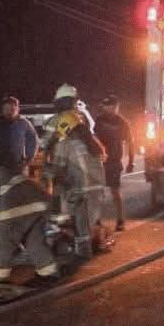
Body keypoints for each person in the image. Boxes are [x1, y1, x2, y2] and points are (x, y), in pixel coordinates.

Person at [0, 163, 59, 286]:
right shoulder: (1, 172)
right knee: (33, 240)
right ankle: (48, 273)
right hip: (41, 201)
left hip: (17, 203)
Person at [46, 110, 108, 258]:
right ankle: (97, 242)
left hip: (81, 192)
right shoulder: (93, 142)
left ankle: (83, 254)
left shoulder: (65, 145)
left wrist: (49, 174)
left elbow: (58, 172)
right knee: (90, 221)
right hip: (97, 191)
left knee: (79, 226)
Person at [94, 96, 136, 230]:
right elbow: (93, 138)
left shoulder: (122, 122)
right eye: (105, 106)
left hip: (113, 162)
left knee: (115, 192)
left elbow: (130, 142)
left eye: (110, 106)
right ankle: (96, 220)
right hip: (99, 161)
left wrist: (131, 161)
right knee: (97, 192)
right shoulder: (99, 120)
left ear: (116, 107)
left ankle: (120, 220)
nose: (107, 108)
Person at [0, 96, 39, 175]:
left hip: (17, 165)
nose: (9, 112)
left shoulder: (24, 123)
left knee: (18, 185)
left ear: (17, 109)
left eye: (12, 109)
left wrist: (27, 160)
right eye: (6, 109)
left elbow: (33, 141)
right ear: (2, 110)